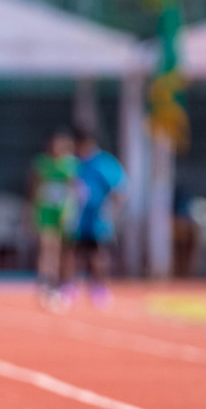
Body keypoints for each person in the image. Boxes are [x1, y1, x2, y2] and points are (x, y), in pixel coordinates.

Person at [65, 128, 125, 308]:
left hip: (98, 218)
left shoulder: (104, 162)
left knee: (99, 254)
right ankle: (72, 286)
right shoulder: (74, 162)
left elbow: (120, 189)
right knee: (75, 254)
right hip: (78, 217)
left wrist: (111, 212)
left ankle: (99, 288)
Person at [30, 129, 77, 307]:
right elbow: (34, 187)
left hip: (64, 213)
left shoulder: (71, 164)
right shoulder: (42, 163)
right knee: (47, 247)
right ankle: (45, 280)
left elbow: (74, 189)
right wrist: (32, 210)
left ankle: (63, 283)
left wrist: (70, 210)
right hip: (45, 212)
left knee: (64, 251)